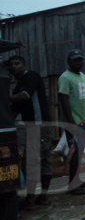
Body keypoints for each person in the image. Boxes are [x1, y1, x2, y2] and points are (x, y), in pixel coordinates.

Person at [8, 56, 53, 208]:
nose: (14, 66)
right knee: (39, 161)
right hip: (34, 127)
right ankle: (39, 198)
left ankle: (33, 200)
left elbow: (25, 95)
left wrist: (4, 98)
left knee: (34, 162)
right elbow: (13, 111)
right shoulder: (18, 87)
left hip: (39, 125)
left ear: (25, 65)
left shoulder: (31, 76)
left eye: (17, 63)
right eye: (11, 65)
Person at [58, 49, 85, 195]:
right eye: (75, 60)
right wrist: (71, 123)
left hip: (84, 121)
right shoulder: (65, 78)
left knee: (81, 152)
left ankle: (79, 180)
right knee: (74, 153)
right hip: (73, 122)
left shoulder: (82, 77)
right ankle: (72, 185)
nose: (78, 62)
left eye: (80, 59)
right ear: (69, 62)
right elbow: (63, 100)